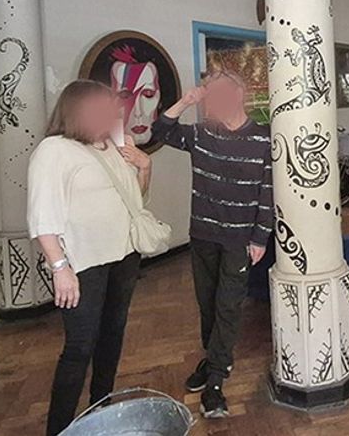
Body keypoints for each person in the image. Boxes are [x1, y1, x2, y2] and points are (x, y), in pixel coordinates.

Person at [27, 80, 152, 436]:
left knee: (112, 336)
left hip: (124, 256)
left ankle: (102, 411)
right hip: (82, 264)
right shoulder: (54, 150)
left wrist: (144, 167)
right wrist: (60, 268)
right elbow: (42, 218)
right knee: (80, 346)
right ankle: (60, 428)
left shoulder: (111, 145)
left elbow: (135, 201)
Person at [151, 70, 272, 419]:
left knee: (228, 307)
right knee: (207, 304)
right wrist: (186, 101)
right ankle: (212, 358)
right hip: (203, 234)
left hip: (239, 239)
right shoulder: (202, 134)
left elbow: (268, 191)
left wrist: (260, 236)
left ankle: (216, 382)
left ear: (239, 94)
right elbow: (160, 132)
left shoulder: (263, 138)